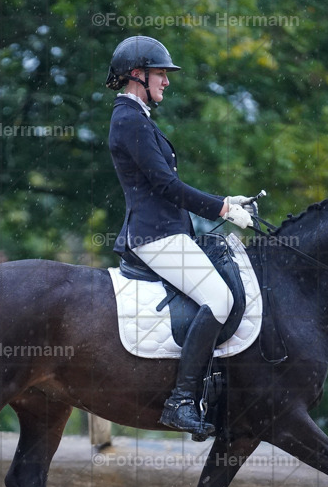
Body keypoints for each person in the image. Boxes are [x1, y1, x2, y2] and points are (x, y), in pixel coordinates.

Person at [106, 35, 254, 439]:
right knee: (220, 300)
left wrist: (225, 200)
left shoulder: (137, 118)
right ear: (137, 75)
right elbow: (167, 186)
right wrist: (223, 209)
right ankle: (182, 400)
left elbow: (170, 184)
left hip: (167, 232)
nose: (166, 82)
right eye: (160, 74)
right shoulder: (128, 120)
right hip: (155, 237)